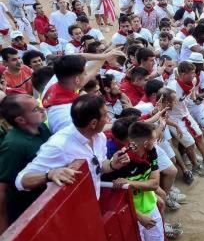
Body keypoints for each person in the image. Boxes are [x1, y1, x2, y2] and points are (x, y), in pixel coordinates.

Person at [101, 121, 191, 241]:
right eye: (154, 139)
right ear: (146, 142)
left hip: (149, 206)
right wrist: (138, 216)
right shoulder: (120, 162)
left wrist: (129, 183)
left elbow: (154, 184)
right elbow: (113, 198)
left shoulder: (151, 152)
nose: (156, 141)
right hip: (130, 215)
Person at [15, 95, 131, 200]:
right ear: (93, 123)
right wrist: (49, 175)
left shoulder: (99, 137)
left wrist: (112, 164)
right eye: (106, 115)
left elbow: (99, 167)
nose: (109, 119)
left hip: (91, 204)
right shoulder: (58, 145)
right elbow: (21, 181)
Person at [0, 95, 51, 233]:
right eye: (35, 109)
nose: (42, 109)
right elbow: (2, 190)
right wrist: (5, 233)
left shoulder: (42, 128)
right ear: (21, 120)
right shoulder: (13, 145)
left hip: (49, 201)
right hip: (29, 212)